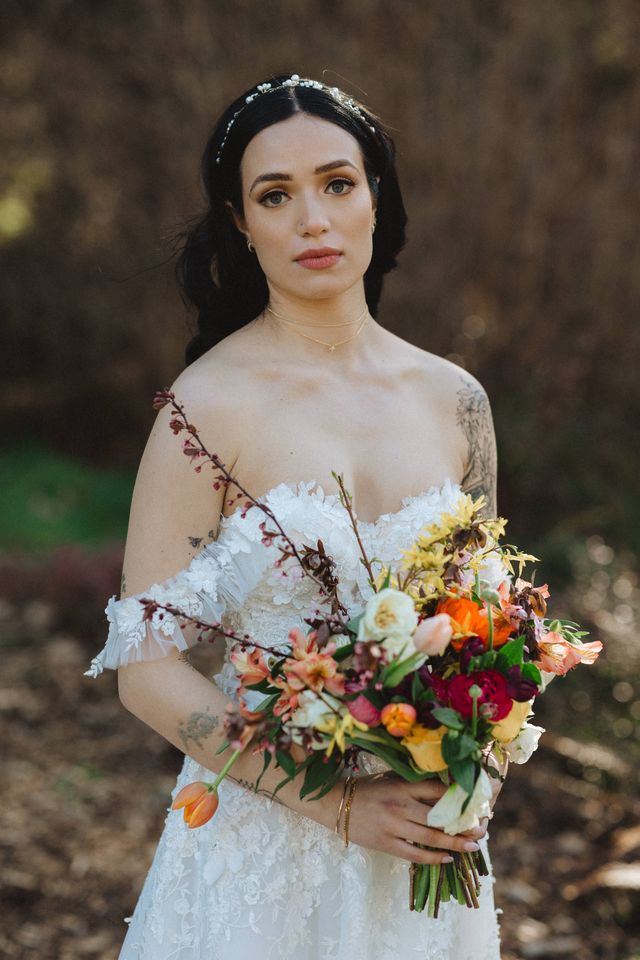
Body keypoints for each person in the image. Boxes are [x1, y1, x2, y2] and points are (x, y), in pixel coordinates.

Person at [85, 72, 504, 959]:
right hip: (260, 858)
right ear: (242, 223)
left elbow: (492, 628)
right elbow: (147, 668)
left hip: (427, 848)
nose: (313, 219)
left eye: (337, 183)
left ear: (376, 197)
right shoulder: (206, 409)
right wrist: (339, 805)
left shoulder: (454, 399)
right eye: (276, 195)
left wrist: (480, 767)